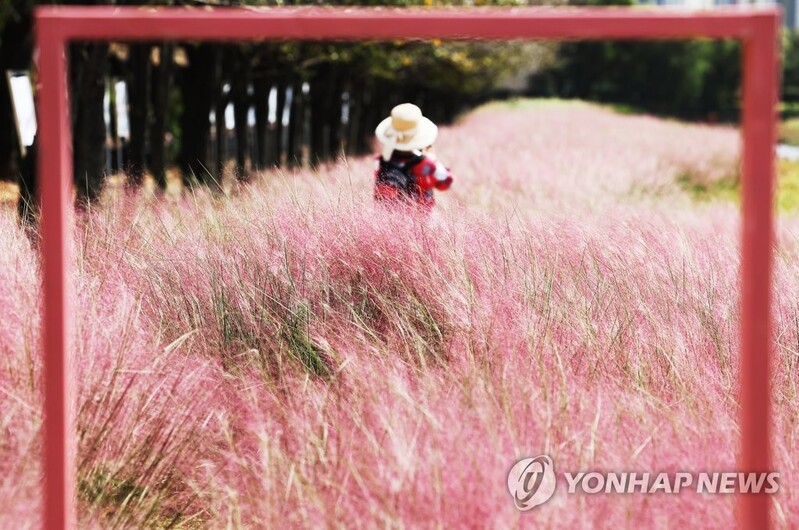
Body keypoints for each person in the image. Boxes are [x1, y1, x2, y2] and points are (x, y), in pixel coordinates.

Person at [373, 103, 454, 212]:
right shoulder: (428, 164)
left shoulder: (380, 161)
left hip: (388, 220)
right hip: (422, 220)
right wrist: (432, 159)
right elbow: (445, 183)